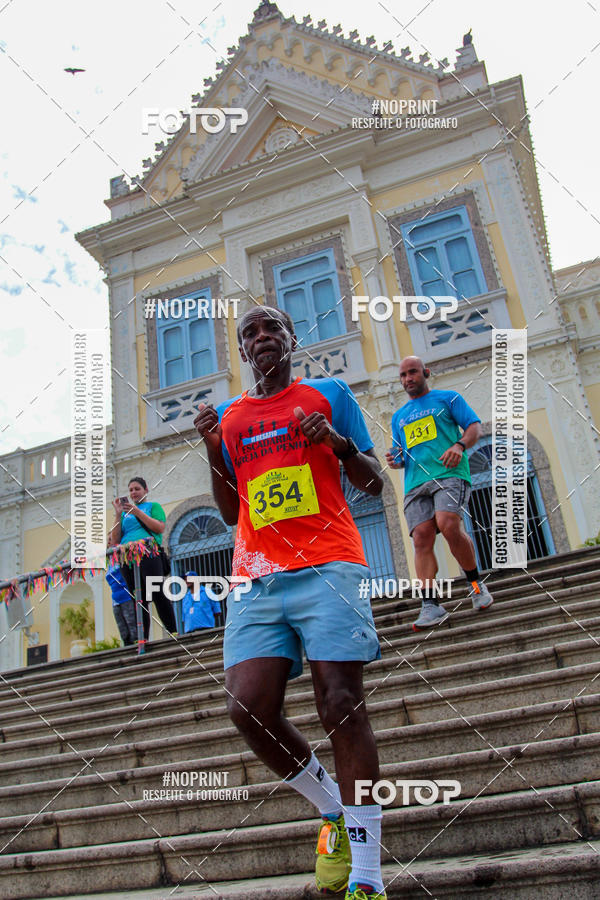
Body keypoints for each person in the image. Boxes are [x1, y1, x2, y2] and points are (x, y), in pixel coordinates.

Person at [194, 306, 387, 900]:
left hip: (330, 563)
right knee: (247, 707)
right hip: (256, 575)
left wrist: (338, 443)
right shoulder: (231, 417)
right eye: (250, 332)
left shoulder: (329, 394)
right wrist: (212, 449)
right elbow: (233, 512)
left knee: (341, 703)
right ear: (242, 350)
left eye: (272, 327)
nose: (262, 337)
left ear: (291, 337)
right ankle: (333, 811)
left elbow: (374, 481)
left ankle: (367, 876)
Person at [386, 356, 493, 630]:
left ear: (426, 372)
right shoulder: (398, 417)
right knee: (421, 538)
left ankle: (476, 585)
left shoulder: (448, 398)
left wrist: (459, 446)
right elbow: (401, 453)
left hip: (449, 474)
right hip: (415, 482)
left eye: (412, 372)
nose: (408, 379)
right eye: (403, 375)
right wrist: (396, 460)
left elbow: (474, 427)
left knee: (448, 524)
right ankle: (430, 605)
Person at [109, 477, 176, 641]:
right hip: (127, 556)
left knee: (157, 591)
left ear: (146, 490)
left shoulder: (153, 506)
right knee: (137, 597)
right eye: (131, 490)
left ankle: (173, 631)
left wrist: (137, 512)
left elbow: (159, 527)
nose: (133, 492)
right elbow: (115, 540)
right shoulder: (124, 514)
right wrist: (118, 514)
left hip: (148, 551)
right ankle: (142, 638)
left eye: (137, 489)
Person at [105, 537, 137, 646]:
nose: (109, 541)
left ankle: (136, 645)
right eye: (108, 540)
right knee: (122, 628)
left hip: (127, 596)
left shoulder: (122, 553)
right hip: (116, 600)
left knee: (132, 624)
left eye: (111, 538)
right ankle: (127, 647)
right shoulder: (108, 560)